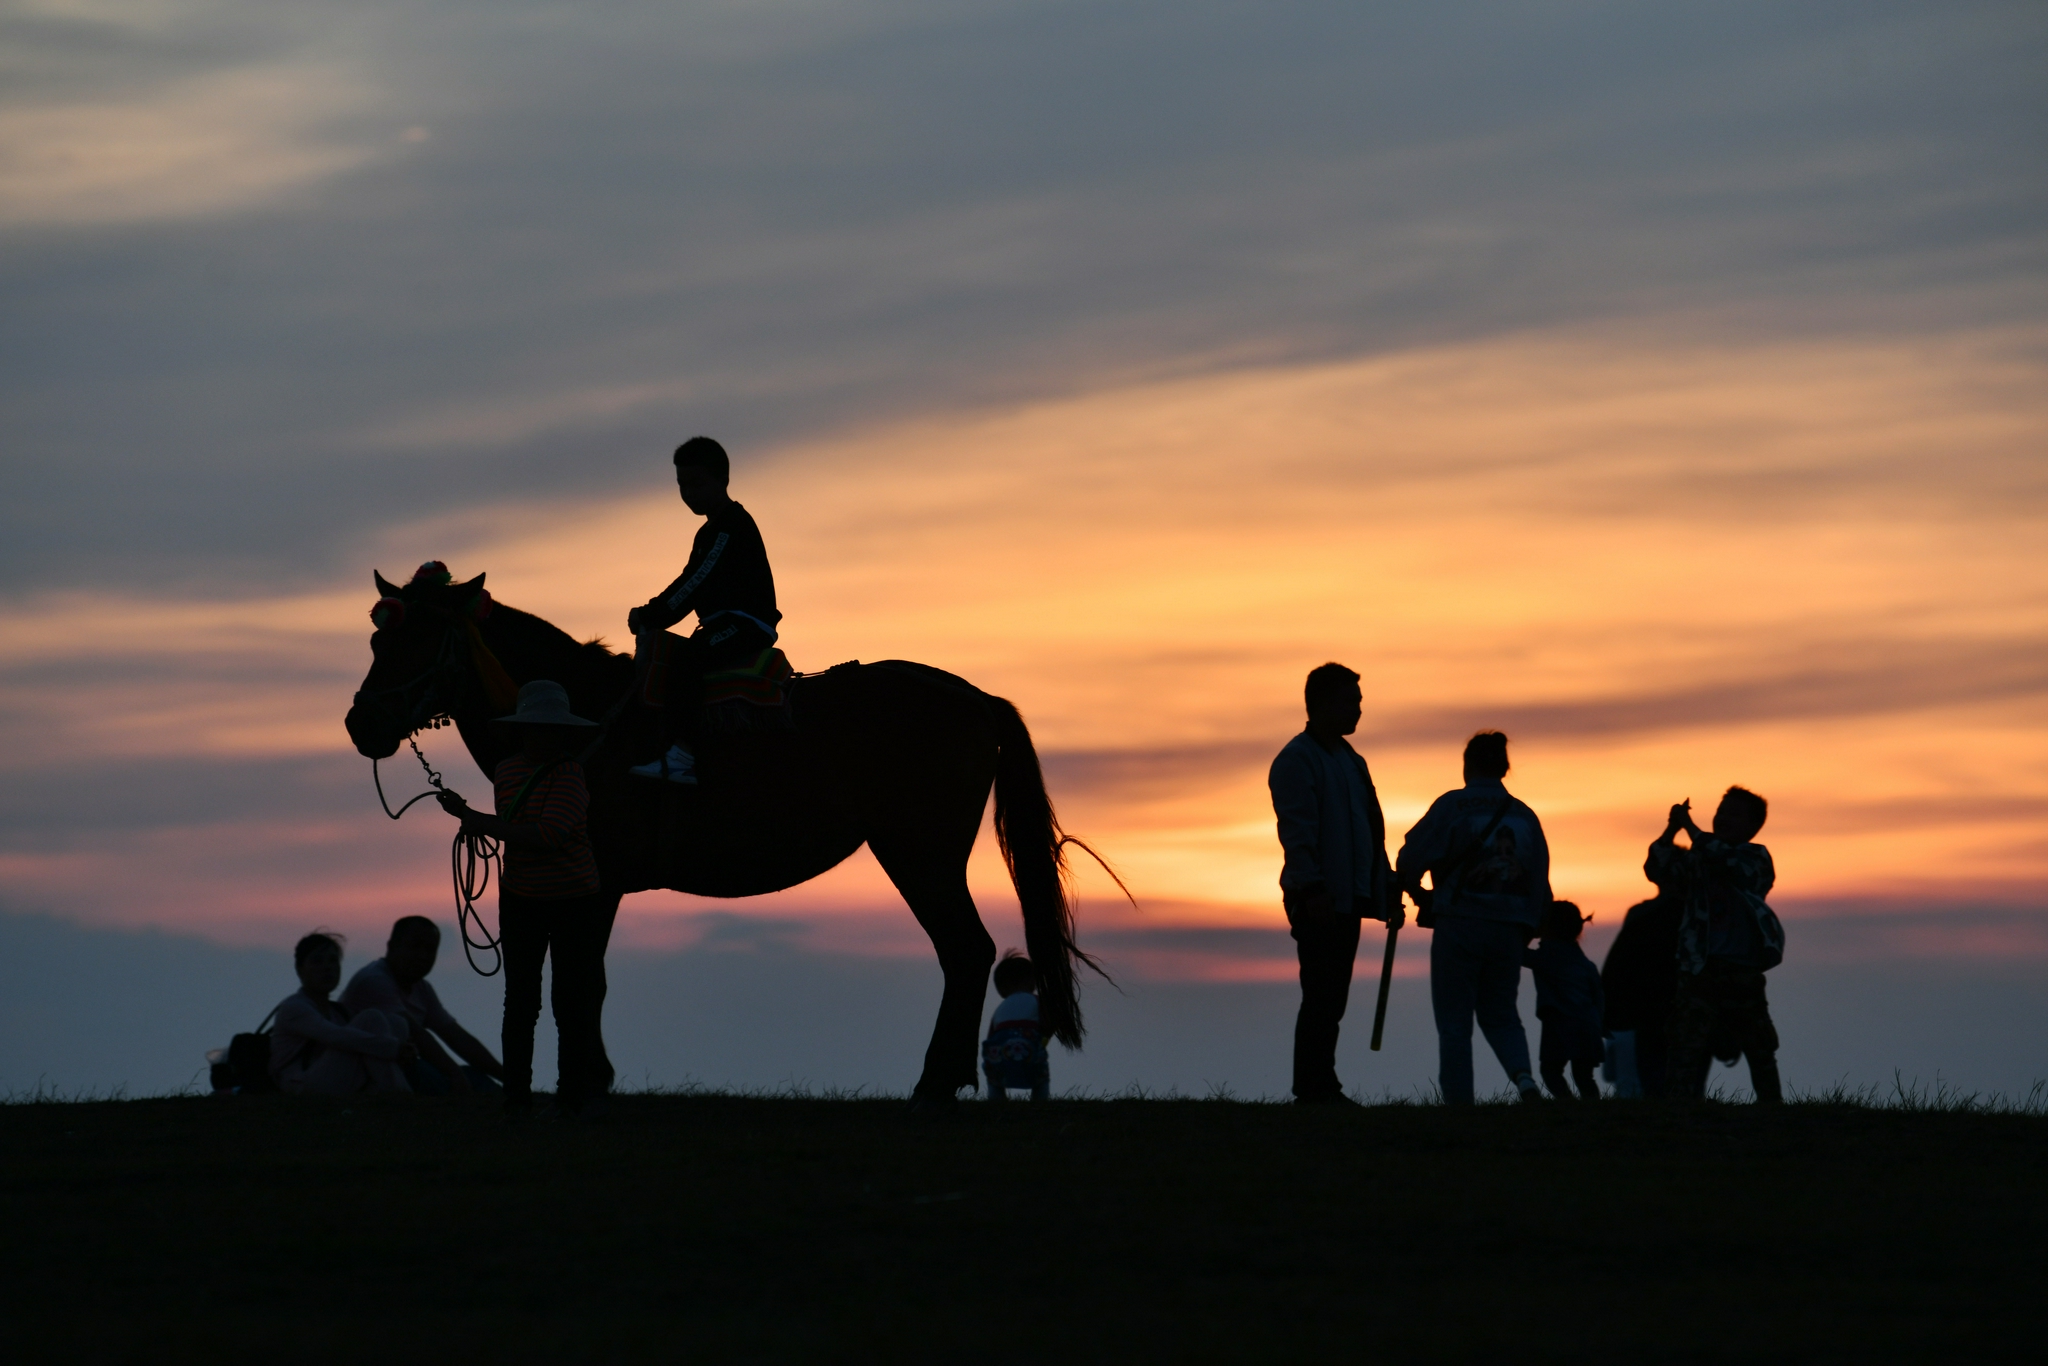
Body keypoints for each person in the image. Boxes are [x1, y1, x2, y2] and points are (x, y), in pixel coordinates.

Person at [436, 680, 616, 1116]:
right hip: (530, 899)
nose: (543, 737)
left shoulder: (568, 774)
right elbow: (525, 831)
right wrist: (477, 820)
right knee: (523, 1000)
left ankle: (566, 1093)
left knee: (564, 1000)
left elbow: (546, 836)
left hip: (568, 900)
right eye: (537, 728)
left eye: (549, 730)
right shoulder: (511, 772)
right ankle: (518, 1095)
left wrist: (474, 819)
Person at [1267, 662, 1400, 1105]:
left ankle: (1321, 1083)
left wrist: (1387, 890)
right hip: (1320, 898)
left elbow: (1370, 833)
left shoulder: (1351, 761)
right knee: (1322, 995)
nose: (1359, 711)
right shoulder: (1296, 759)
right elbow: (1298, 834)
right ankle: (1313, 1087)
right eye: (1351, 702)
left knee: (1332, 997)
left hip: (1349, 896)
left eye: (1359, 702)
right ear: (1323, 704)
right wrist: (1310, 890)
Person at [1396, 731, 1551, 1105]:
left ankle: (1459, 1102)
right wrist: (1529, 929)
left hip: (1459, 923)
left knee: (1454, 1021)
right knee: (1502, 1014)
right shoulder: (1525, 816)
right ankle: (1525, 1080)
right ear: (1503, 768)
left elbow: (1409, 859)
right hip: (1510, 930)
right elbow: (1540, 879)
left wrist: (1419, 896)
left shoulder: (1453, 806)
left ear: (1467, 765)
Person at [626, 436, 782, 784]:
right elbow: (691, 580)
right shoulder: (709, 531)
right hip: (722, 623)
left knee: (687, 660)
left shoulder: (729, 527)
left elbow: (694, 583)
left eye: (696, 484)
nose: (688, 493)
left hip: (746, 624)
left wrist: (649, 615)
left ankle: (683, 756)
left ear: (722, 479)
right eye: (682, 485)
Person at [1650, 787, 1785, 1103]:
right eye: (1722, 811)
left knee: (1758, 1043)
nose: (1723, 818)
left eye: (1734, 814)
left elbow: (1727, 862)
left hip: (1742, 968)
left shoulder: (1756, 857)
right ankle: (1677, 1107)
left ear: (1753, 827)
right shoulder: (1700, 855)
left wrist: (1691, 829)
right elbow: (1658, 869)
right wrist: (1672, 828)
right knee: (1685, 1041)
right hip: (1700, 966)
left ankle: (1772, 1107)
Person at [340, 916, 505, 1095]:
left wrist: (507, 1077)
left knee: (477, 1080)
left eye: (430, 950)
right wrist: (455, 1075)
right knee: (440, 1079)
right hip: (364, 1073)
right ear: (392, 946)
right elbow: (417, 1034)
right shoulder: (374, 981)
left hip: (406, 1067)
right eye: (415, 946)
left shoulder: (422, 989)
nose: (422, 956)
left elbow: (457, 1037)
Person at [268, 931, 417, 1095]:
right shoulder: (294, 1007)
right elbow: (334, 1035)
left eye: (333, 960)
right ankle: (399, 1092)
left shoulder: (339, 1012)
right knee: (370, 1019)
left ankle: (391, 1090)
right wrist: (394, 1048)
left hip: (334, 1078)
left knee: (398, 1023)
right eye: (317, 961)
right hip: (303, 1085)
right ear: (300, 969)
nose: (327, 967)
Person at [1600, 872, 1683, 1098]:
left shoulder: (1642, 915)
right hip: (1664, 1008)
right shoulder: (1695, 913)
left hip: (1644, 1010)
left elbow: (1617, 965)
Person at [1525, 900, 1603, 1100]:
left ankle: (1566, 1103)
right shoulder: (1586, 964)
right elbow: (1599, 998)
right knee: (1584, 1076)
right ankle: (1592, 1110)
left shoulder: (1548, 956)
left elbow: (1518, 954)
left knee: (1550, 1071)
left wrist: (1522, 931)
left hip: (1559, 1022)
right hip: (1588, 1025)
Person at [982, 952, 1051, 1102]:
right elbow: (1048, 1024)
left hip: (1000, 1058)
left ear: (1002, 988)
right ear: (1030, 981)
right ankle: (1040, 1101)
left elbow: (990, 1038)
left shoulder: (999, 1009)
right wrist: (1044, 1040)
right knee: (1041, 1079)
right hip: (1029, 1055)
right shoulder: (1036, 1000)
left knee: (994, 1079)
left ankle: (996, 1099)